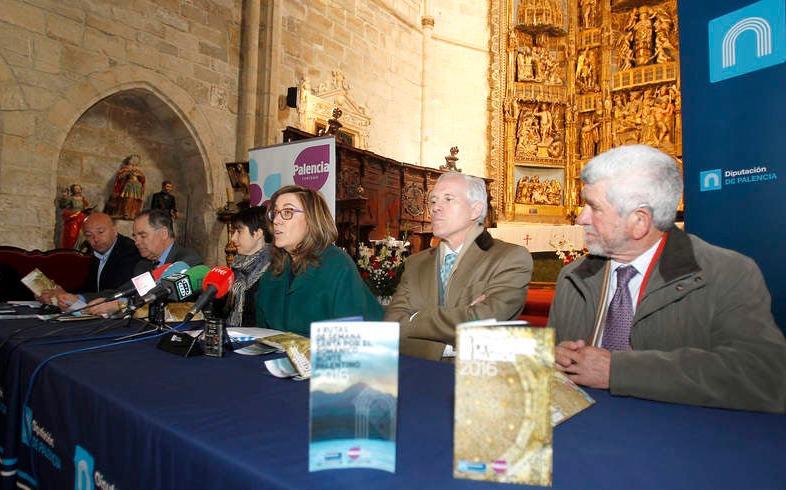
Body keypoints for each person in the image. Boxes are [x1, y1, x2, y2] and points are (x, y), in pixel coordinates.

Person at [551, 144, 786, 413]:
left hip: (683, 441)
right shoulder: (573, 277)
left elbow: (765, 376)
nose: (581, 218)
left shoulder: (727, 273)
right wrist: (552, 358)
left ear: (639, 221)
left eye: (594, 208)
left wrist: (620, 371)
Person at [385, 172, 533, 361]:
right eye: (433, 201)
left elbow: (485, 320)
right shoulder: (415, 264)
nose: (436, 208)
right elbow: (392, 326)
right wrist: (453, 341)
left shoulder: (509, 258)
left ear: (475, 210)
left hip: (478, 381)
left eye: (448, 199)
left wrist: (415, 318)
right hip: (418, 376)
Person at [255, 185, 383, 336]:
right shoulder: (274, 269)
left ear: (311, 219)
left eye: (287, 212)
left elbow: (353, 339)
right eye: (275, 213)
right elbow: (262, 332)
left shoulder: (338, 265)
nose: (276, 220)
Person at [84, 208, 203, 316]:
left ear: (163, 233)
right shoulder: (143, 265)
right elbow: (123, 292)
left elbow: (172, 304)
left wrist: (121, 305)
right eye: (135, 236)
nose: (136, 242)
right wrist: (88, 299)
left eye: (142, 235)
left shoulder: (188, 262)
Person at [38, 212, 141, 308]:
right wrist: (64, 294)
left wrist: (72, 297)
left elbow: (117, 292)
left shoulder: (130, 251)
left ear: (114, 230)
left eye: (100, 232)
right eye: (89, 235)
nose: (96, 239)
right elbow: (90, 288)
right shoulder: (98, 253)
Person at [217, 206, 271, 327]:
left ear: (258, 233)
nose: (233, 238)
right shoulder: (238, 267)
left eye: (239, 231)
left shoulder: (273, 271)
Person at [108, 154, 146, 219]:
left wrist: (140, 177)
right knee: (128, 199)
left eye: (136, 160)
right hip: (128, 187)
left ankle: (133, 213)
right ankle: (125, 212)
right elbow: (119, 178)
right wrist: (127, 174)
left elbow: (143, 180)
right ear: (129, 160)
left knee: (136, 200)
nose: (134, 161)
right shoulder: (124, 169)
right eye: (133, 159)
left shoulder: (138, 171)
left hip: (137, 188)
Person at [57, 184, 91, 249]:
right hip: (73, 218)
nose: (78, 190)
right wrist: (64, 197)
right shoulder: (70, 198)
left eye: (79, 188)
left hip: (82, 217)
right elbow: (62, 205)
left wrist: (87, 211)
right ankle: (71, 248)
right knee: (72, 234)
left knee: (82, 233)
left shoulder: (82, 199)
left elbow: (83, 208)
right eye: (76, 188)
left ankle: (79, 248)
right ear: (73, 190)